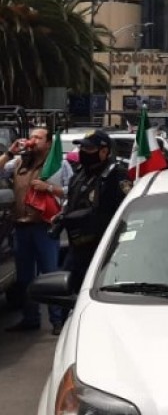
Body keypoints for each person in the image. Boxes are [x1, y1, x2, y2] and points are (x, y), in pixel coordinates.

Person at [1, 128, 71, 334]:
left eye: (38, 138)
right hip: (21, 227)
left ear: (48, 143)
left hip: (44, 227)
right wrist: (10, 153)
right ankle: (30, 318)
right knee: (25, 278)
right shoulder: (19, 163)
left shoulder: (59, 164)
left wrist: (49, 188)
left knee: (50, 275)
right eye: (31, 137)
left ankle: (57, 321)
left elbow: (72, 189)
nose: (33, 141)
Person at [57, 130, 130, 294]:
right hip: (77, 248)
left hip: (103, 252)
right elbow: (72, 203)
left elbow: (126, 216)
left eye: (89, 150)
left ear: (104, 151)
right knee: (66, 294)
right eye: (82, 148)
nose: (83, 153)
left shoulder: (116, 177)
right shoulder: (79, 175)